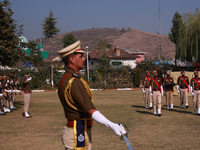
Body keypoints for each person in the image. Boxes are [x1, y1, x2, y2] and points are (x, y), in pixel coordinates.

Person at [57, 40, 126, 150]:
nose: (84, 59)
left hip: (78, 130)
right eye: (81, 56)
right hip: (77, 132)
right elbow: (89, 109)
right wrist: (111, 125)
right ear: (72, 60)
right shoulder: (73, 81)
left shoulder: (68, 78)